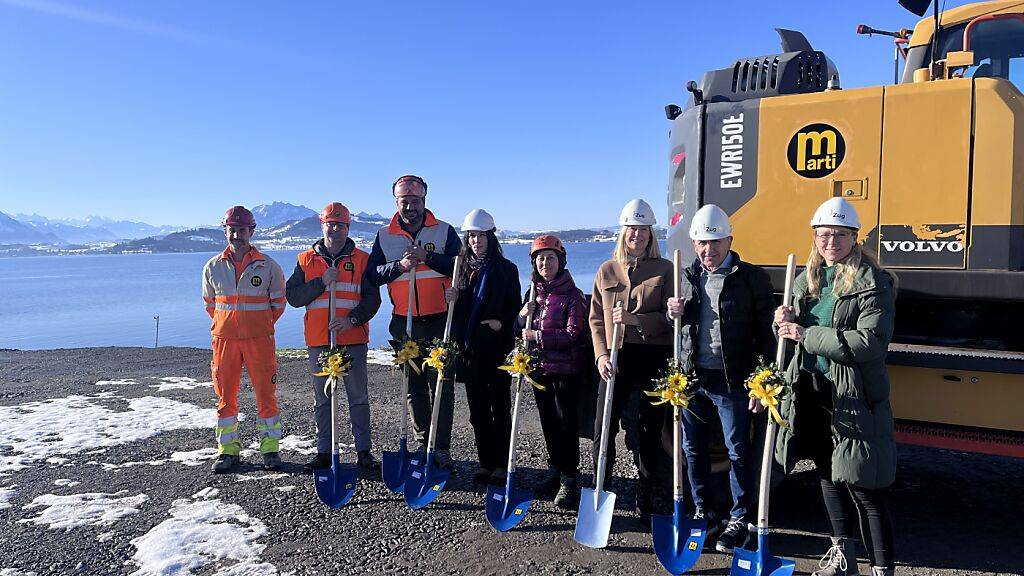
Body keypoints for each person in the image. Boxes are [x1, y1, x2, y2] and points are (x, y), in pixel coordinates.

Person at [775, 198, 897, 576]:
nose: (831, 241)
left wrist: (806, 334)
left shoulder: (872, 282)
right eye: (824, 234)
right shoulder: (806, 279)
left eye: (839, 235)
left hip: (851, 395)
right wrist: (782, 321)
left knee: (864, 486)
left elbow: (869, 343)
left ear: (854, 237)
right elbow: (789, 336)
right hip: (812, 391)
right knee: (827, 474)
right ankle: (843, 557)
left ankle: (882, 568)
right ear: (815, 237)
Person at [666, 204, 776, 552]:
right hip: (693, 379)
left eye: (715, 243)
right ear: (694, 242)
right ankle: (703, 511)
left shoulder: (752, 278)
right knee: (692, 449)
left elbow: (766, 336)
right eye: (701, 243)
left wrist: (763, 381)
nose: (708, 250)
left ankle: (739, 518)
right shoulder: (687, 275)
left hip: (733, 380)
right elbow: (680, 329)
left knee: (738, 451)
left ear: (729, 239)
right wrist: (673, 316)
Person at [366, 175, 462, 470]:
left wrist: (427, 257)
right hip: (403, 322)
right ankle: (423, 443)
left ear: (424, 201)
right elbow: (372, 275)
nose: (409, 206)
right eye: (403, 201)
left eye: (415, 201)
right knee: (413, 386)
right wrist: (400, 266)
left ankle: (441, 447)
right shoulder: (384, 236)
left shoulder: (444, 231)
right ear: (396, 202)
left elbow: (461, 266)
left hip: (440, 321)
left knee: (442, 386)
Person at [589, 198, 673, 521]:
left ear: (651, 234)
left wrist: (635, 320)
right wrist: (599, 355)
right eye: (631, 230)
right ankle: (601, 491)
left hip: (653, 356)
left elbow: (669, 320)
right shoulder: (606, 270)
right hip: (616, 357)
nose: (637, 236)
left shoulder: (665, 269)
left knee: (650, 431)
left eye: (643, 230)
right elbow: (596, 319)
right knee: (603, 428)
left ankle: (646, 495)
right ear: (623, 233)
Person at [285, 202, 382, 473]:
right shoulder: (305, 260)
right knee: (323, 399)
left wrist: (351, 319)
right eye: (331, 224)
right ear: (322, 225)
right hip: (319, 340)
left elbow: (373, 300)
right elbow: (292, 297)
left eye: (341, 224)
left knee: (357, 397)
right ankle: (324, 452)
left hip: (352, 339)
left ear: (348, 227)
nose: (335, 229)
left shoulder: (363, 260)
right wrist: (321, 282)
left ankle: (363, 451)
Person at [201, 205, 287, 474]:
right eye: (232, 230)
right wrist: (229, 326)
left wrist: (257, 325)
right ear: (225, 230)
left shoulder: (268, 266)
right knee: (226, 397)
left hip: (259, 340)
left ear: (251, 231)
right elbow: (210, 304)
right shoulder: (213, 266)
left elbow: (278, 304)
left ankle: (270, 449)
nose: (237, 235)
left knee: (266, 395)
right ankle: (228, 452)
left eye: (242, 230)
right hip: (224, 340)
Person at [443, 209, 520, 486]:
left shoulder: (506, 269)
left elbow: (516, 306)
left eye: (480, 236)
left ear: (490, 236)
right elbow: (459, 311)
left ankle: (502, 464)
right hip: (470, 350)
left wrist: (501, 322)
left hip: (496, 349)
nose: (476, 241)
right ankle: (486, 463)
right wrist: (451, 297)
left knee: (499, 407)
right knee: (477, 411)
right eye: (471, 236)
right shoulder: (460, 268)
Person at [519, 234, 588, 509]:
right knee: (548, 423)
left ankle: (570, 479)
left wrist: (537, 335)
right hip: (540, 370)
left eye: (550, 258)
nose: (545, 263)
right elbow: (520, 330)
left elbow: (574, 334)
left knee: (565, 426)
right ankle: (555, 470)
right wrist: (521, 315)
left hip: (565, 372)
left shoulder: (573, 296)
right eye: (540, 259)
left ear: (561, 261)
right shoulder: (533, 294)